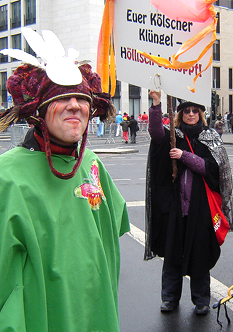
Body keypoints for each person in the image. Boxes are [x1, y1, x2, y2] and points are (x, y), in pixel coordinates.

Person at [0, 30, 130, 331]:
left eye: (81, 99)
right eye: (63, 98)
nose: (75, 106)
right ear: (39, 111)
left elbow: (114, 225)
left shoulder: (91, 163)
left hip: (97, 313)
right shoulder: (7, 176)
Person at [145, 90, 233, 316]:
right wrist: (156, 103)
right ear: (180, 114)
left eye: (196, 111)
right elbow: (155, 133)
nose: (191, 114)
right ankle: (169, 298)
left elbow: (212, 169)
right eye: (187, 111)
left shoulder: (210, 136)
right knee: (173, 256)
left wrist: (184, 156)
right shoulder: (172, 135)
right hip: (175, 209)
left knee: (199, 256)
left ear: (201, 114)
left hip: (201, 209)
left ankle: (201, 300)